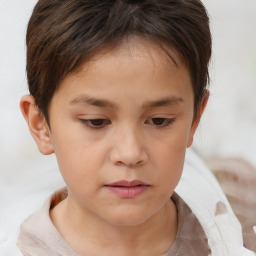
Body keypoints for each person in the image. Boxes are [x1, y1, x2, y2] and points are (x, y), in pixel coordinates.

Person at [17, 0, 254, 255]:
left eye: (160, 120)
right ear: (40, 125)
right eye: (96, 121)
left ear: (194, 118)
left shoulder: (236, 226)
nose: (130, 154)